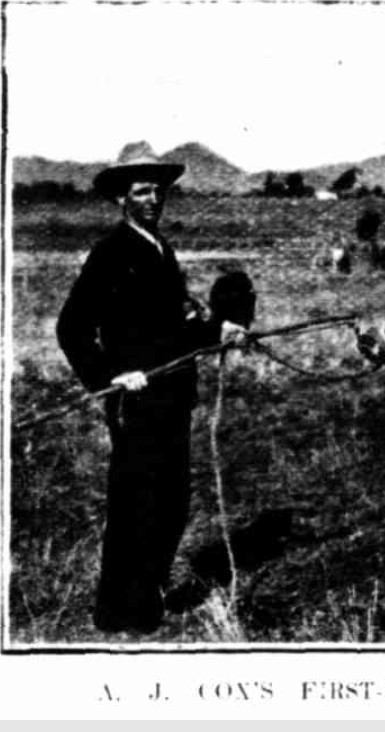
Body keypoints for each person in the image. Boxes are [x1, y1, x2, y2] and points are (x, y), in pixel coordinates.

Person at [56, 143, 246, 635]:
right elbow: (72, 327)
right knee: (137, 504)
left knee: (172, 501)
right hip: (136, 402)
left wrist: (216, 332)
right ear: (122, 197)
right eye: (142, 190)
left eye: (158, 190)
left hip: (172, 396)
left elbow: (171, 331)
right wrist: (109, 378)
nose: (153, 198)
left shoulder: (160, 248)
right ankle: (122, 611)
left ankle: (147, 596)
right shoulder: (112, 252)